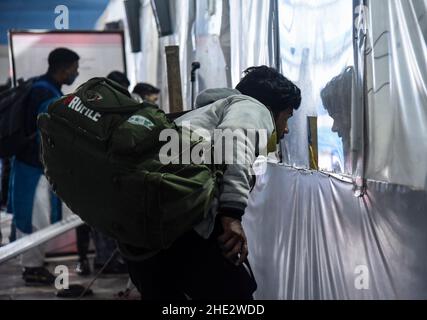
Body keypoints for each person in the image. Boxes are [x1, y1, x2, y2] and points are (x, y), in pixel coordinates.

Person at [125, 66, 301, 300]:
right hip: (184, 219)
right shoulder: (254, 107)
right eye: (286, 117)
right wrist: (231, 215)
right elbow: (234, 146)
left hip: (142, 227)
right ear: (272, 108)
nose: (286, 129)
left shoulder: (200, 114)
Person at [8, 48, 80, 285]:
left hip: (32, 166)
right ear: (63, 67)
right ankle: (31, 268)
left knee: (39, 216)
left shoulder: (43, 87)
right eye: (74, 68)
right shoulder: (44, 92)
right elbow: (44, 133)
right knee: (35, 218)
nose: (76, 73)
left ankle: (34, 264)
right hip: (33, 167)